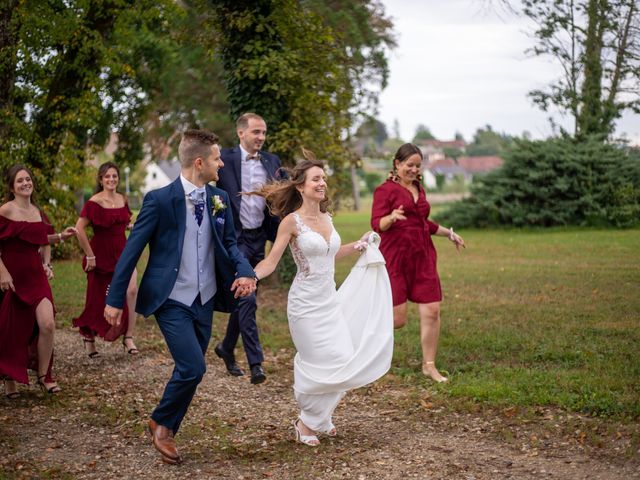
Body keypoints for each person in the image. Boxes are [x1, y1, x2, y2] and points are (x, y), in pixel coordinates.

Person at [104, 129, 256, 465]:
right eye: (217, 158)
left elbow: (230, 243)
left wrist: (246, 271)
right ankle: (163, 425)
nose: (221, 164)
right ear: (199, 162)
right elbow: (132, 250)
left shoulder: (219, 198)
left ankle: (164, 423)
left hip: (205, 298)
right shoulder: (159, 200)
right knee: (192, 366)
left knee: (193, 369)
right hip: (171, 298)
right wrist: (114, 298)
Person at [251, 156, 394, 447]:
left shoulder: (327, 219)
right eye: (316, 179)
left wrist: (359, 244)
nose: (322, 183)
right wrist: (250, 277)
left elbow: (329, 253)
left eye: (323, 178)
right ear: (301, 187)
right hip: (304, 305)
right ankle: (306, 423)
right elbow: (271, 261)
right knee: (320, 362)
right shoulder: (292, 222)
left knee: (342, 357)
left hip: (330, 301)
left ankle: (320, 417)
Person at [371, 143, 465, 383]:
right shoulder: (385, 190)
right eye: (409, 165)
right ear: (397, 164)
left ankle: (429, 365)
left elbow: (423, 222)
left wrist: (449, 233)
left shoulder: (418, 188)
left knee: (432, 310)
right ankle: (361, 343)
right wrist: (391, 217)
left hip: (423, 255)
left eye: (417, 165)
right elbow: (376, 225)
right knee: (397, 320)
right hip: (396, 257)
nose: (413, 170)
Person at [214, 112, 283, 385]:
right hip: (235, 238)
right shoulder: (225, 159)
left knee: (245, 297)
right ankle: (256, 363)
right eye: (256, 132)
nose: (261, 138)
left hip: (259, 238)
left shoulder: (272, 161)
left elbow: (285, 188)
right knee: (248, 299)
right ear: (241, 133)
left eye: (264, 133)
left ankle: (226, 348)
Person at [0, 165, 77, 398]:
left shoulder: (37, 211)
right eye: (20, 181)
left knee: (48, 324)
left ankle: (44, 376)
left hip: (35, 276)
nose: (26, 183)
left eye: (28, 179)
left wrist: (50, 257)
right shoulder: (6, 210)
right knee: (12, 330)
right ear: (12, 187)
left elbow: (42, 240)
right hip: (11, 277)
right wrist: (2, 272)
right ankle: (9, 378)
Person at [73, 162, 139, 357]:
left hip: (123, 254)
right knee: (97, 298)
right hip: (100, 256)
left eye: (114, 176)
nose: (111, 179)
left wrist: (132, 228)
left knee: (132, 290)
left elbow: (124, 223)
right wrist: (90, 255)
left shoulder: (122, 199)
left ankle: (129, 336)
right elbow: (79, 228)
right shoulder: (94, 202)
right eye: (107, 176)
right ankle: (89, 337)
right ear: (101, 180)